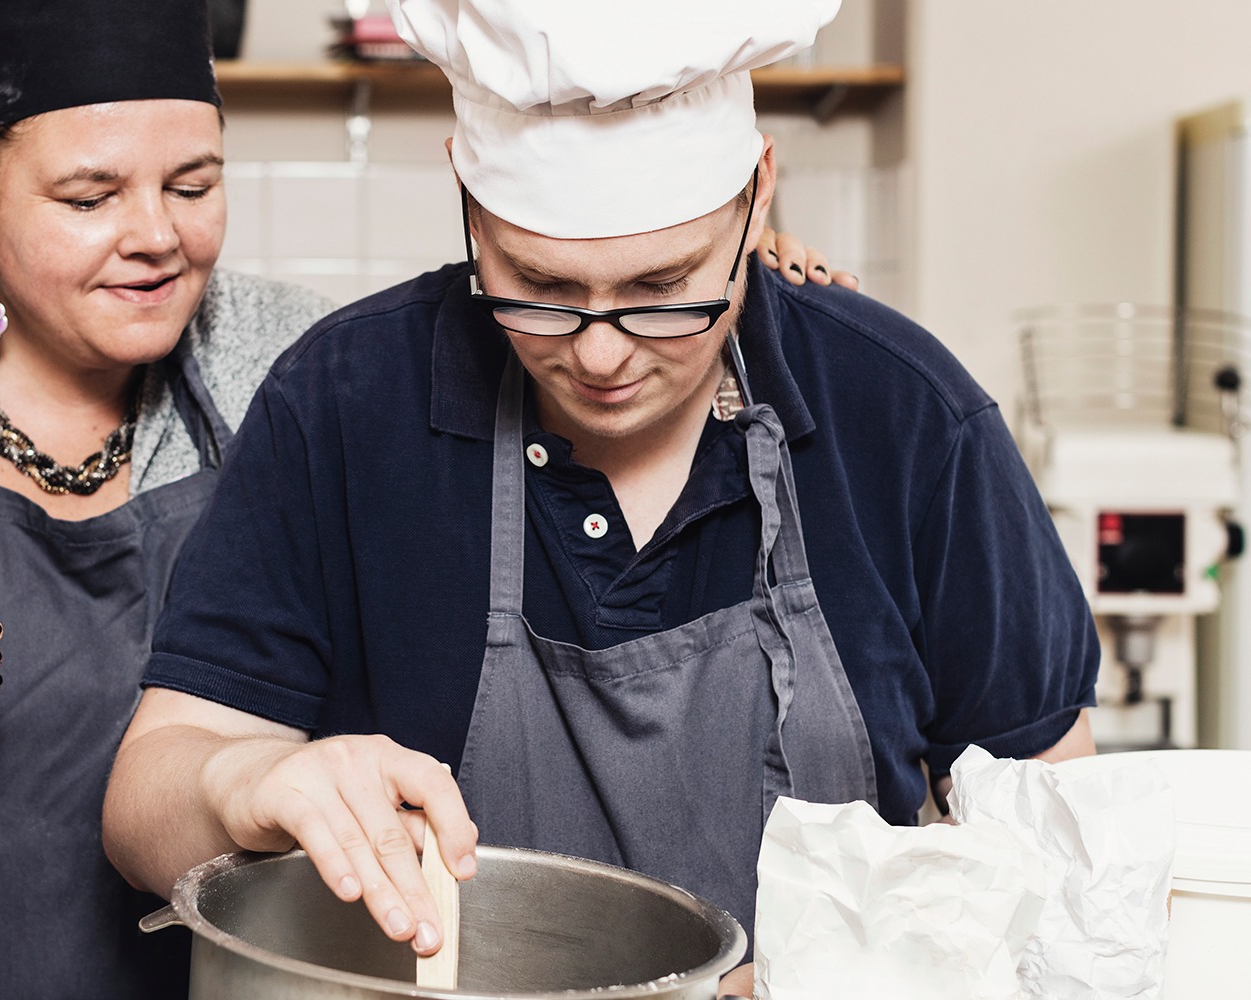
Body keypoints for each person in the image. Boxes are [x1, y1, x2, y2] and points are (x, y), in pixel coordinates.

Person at [0, 0, 849, 994]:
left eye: (193, 182)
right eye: (88, 196)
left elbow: (503, 326)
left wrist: (728, 281)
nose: (153, 235)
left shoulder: (290, 357)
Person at [100, 0, 1100, 995]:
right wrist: (240, 779)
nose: (601, 353)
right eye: (538, 286)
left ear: (757, 197)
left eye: (664, 289)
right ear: (464, 197)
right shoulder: (346, 403)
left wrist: (876, 967)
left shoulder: (903, 415)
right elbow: (147, 801)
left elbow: (1052, 826)